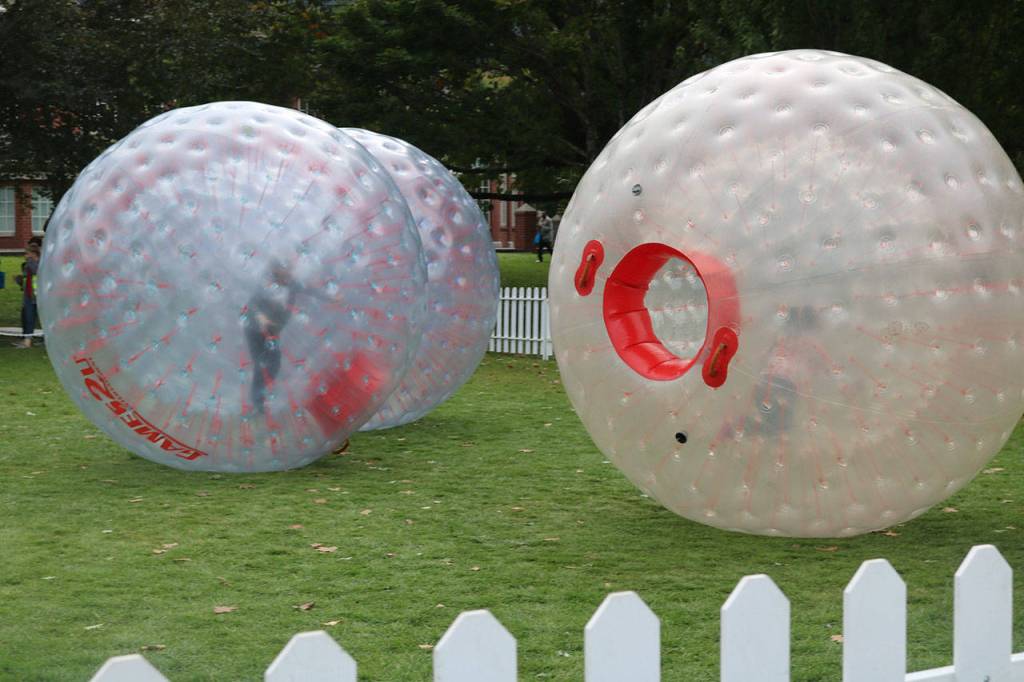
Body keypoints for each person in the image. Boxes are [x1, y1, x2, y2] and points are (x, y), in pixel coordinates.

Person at [13, 243, 40, 349]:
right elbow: (26, 277)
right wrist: (19, 279)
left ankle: (38, 340)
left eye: (27, 253)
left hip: (37, 296)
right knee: (28, 317)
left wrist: (30, 261)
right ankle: (27, 341)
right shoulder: (28, 264)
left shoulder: (37, 263)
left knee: (36, 318)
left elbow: (36, 271)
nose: (25, 255)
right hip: (28, 294)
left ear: (33, 253)